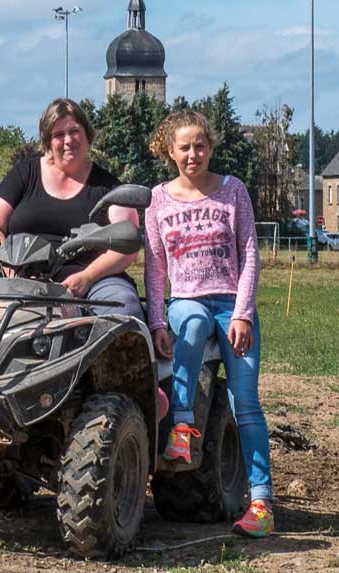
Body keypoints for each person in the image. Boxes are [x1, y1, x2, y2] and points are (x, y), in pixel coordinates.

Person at [143, 110, 275, 537]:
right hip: (186, 300)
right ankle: (182, 425)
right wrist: (158, 320)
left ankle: (260, 503)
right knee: (193, 324)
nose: (193, 154)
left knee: (245, 403)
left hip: (231, 304)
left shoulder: (233, 191)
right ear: (170, 151)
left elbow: (250, 253)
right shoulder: (158, 199)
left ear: (211, 147)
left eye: (200, 145)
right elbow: (155, 267)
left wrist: (242, 314)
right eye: (185, 147)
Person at [0, 98, 142, 319]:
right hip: (19, 278)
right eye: (58, 135)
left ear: (88, 135)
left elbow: (128, 246)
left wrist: (87, 277)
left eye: (75, 131)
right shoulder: (24, 174)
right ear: (48, 140)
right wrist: (11, 271)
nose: (68, 140)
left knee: (124, 309)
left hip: (94, 283)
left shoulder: (109, 188)